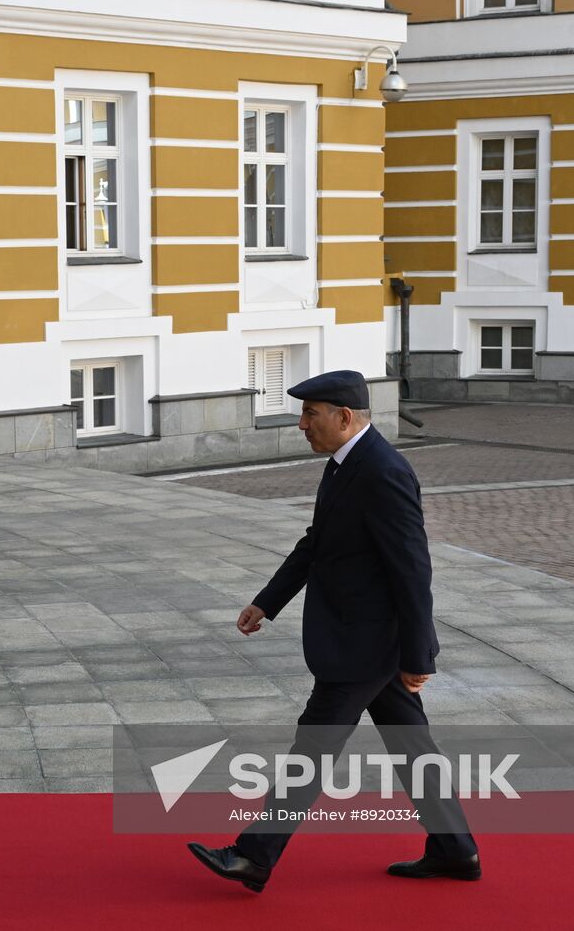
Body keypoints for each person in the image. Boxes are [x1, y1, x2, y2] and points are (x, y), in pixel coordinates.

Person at [187, 370, 480, 893]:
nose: (302, 424)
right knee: (412, 745)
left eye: (310, 414)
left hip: (365, 644)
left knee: (314, 745)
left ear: (344, 417)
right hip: (366, 640)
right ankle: (456, 850)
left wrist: (421, 655)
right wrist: (268, 601)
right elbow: (317, 542)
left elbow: (413, 568)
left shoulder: (383, 471)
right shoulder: (345, 463)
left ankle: (253, 856)